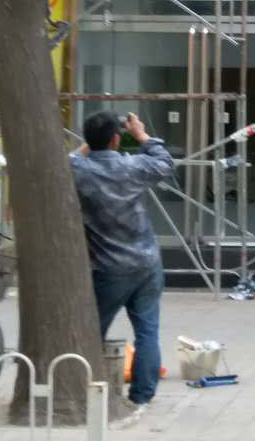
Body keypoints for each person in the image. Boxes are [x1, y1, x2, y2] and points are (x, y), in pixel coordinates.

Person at [70, 111, 174, 407]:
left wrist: (90, 144)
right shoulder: (132, 166)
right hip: (146, 262)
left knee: (92, 330)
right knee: (147, 332)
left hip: (108, 267)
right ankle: (142, 395)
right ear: (116, 140)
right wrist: (141, 135)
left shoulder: (79, 170)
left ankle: (88, 388)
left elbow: (70, 158)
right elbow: (165, 163)